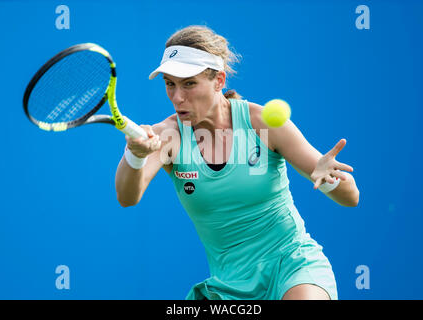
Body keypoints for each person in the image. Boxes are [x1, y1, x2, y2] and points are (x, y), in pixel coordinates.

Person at [115, 25, 359, 300]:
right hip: (227, 287)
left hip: (292, 265)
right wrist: (135, 154)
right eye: (169, 84)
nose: (177, 97)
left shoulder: (263, 123)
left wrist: (330, 181)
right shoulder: (169, 136)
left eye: (189, 83)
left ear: (219, 80)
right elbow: (127, 197)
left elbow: (351, 198)